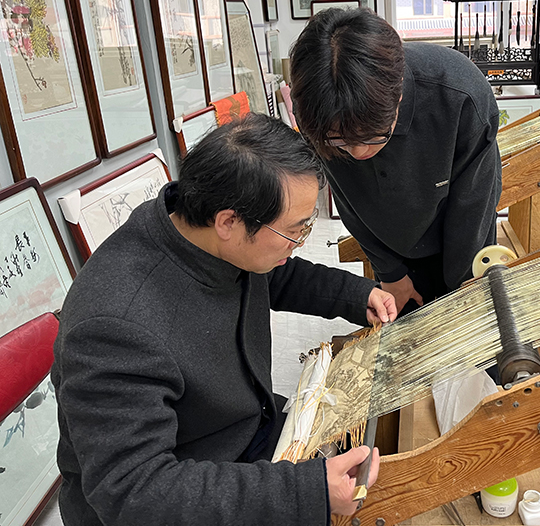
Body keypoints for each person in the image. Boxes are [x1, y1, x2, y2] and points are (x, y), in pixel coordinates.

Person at [51, 114, 396, 526]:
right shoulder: (116, 326)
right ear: (229, 222)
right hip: (185, 486)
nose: (299, 243)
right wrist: (305, 492)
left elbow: (274, 271)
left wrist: (357, 296)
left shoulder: (199, 231)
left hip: (241, 427)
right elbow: (135, 493)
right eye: (294, 232)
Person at [289, 8, 502, 316]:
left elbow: (473, 206)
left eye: (373, 136)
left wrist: (464, 289)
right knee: (406, 333)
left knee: (470, 320)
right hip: (393, 246)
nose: (357, 152)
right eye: (340, 142)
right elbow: (349, 199)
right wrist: (390, 272)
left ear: (398, 95)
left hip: (461, 233)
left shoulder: (460, 95)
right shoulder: (316, 105)